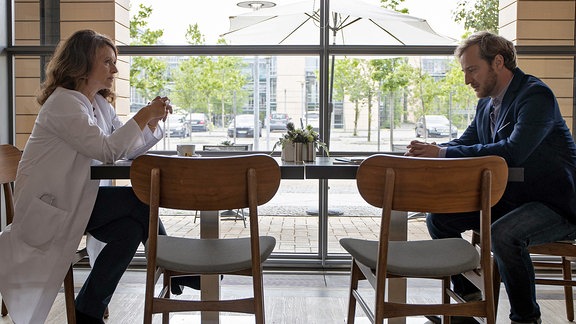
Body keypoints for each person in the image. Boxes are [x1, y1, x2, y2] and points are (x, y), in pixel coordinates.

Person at [0, 29, 173, 324]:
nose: (115, 70)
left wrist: (151, 122)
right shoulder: (63, 104)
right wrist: (143, 114)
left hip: (76, 201)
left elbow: (124, 149)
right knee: (140, 201)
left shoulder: (98, 104)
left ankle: (87, 311)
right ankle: (178, 267)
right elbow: (107, 150)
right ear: (82, 64)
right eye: (107, 62)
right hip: (51, 208)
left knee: (129, 230)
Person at [405, 31, 576, 324]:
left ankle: (525, 318)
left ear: (498, 62)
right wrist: (433, 150)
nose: (467, 80)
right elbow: (466, 141)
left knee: (504, 234)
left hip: (555, 204)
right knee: (439, 218)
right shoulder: (486, 103)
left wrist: (442, 154)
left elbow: (513, 151)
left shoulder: (536, 95)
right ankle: (470, 305)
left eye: (472, 70)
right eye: (465, 71)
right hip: (512, 199)